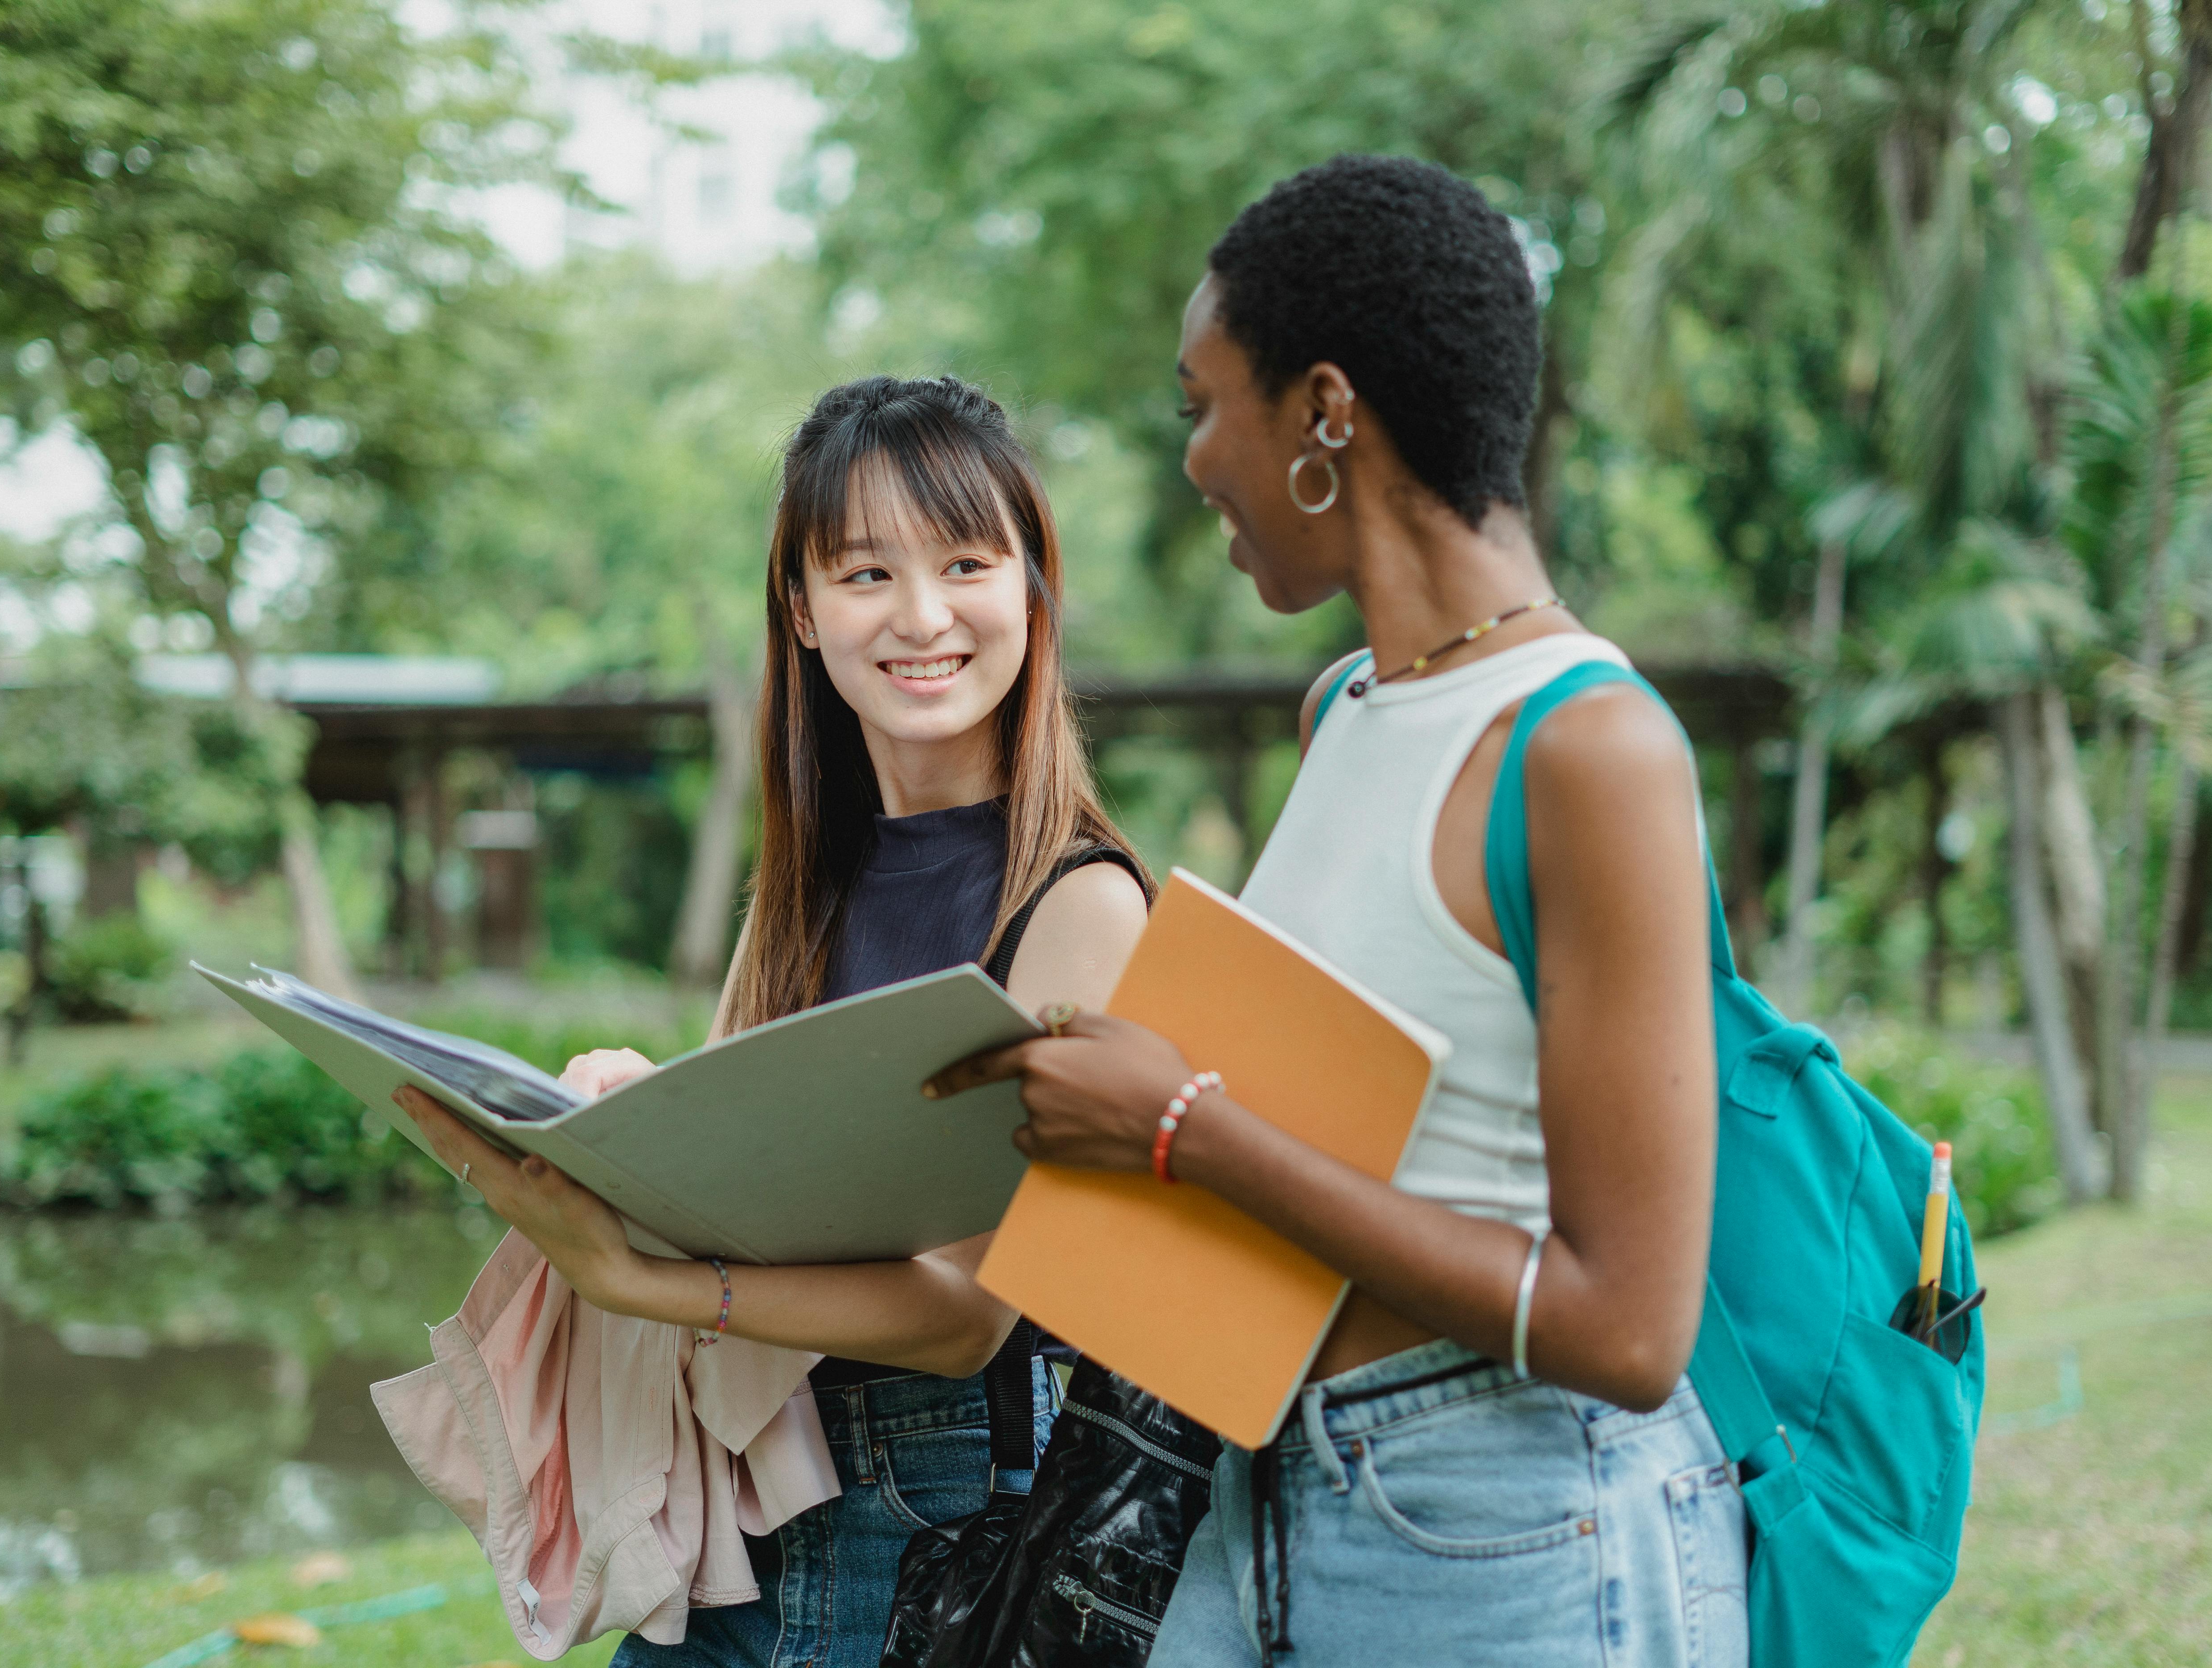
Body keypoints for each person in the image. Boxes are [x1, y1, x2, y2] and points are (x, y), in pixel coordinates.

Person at [928, 155, 1749, 1666]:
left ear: (1322, 413)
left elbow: (1630, 1333)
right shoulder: (1349, 709)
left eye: (1199, 402)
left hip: (1513, 1525)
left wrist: (1186, 1130)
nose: (1190, 459)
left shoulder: (1588, 748)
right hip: (1270, 1484)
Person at [401, 374, 1154, 1668]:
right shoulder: (806, 887)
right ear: (802, 612)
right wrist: (632, 1115)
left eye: (967, 560)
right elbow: (752, 1190)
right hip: (743, 1480)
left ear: (1032, 585)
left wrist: (647, 1282)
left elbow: (970, 1312)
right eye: (866, 573)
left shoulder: (1080, 902)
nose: (923, 616)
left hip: (934, 1505)